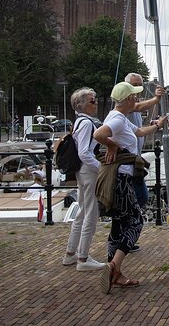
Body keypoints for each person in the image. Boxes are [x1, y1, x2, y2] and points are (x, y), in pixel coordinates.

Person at [94, 82, 166, 293]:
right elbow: (98, 135)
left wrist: (158, 125)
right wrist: (112, 145)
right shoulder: (116, 119)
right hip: (121, 179)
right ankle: (114, 266)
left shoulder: (120, 117)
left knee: (119, 222)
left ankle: (113, 270)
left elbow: (141, 131)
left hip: (120, 177)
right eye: (134, 96)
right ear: (126, 100)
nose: (136, 99)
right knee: (136, 221)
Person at [62, 88, 106, 272]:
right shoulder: (87, 124)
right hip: (88, 172)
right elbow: (84, 152)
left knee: (81, 212)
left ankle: (70, 254)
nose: (96, 103)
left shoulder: (79, 122)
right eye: (92, 101)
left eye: (95, 100)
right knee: (91, 213)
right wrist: (100, 168)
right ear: (81, 105)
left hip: (82, 172)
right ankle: (83, 258)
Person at [124, 73, 165, 210]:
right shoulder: (126, 103)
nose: (138, 88)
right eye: (134, 85)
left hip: (135, 158)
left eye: (140, 85)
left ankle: (129, 219)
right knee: (141, 197)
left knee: (139, 197)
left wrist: (154, 124)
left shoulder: (134, 103)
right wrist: (156, 99)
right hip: (128, 160)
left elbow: (138, 129)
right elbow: (138, 107)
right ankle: (129, 220)